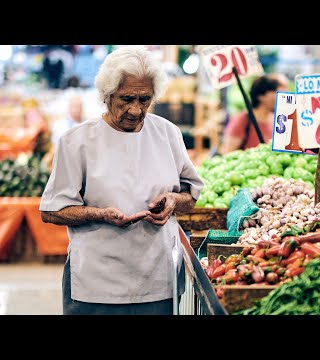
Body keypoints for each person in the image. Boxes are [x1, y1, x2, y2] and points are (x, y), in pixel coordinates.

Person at [39, 46, 204, 315]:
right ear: (107, 95)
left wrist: (173, 200)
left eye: (145, 99)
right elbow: (51, 211)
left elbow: (191, 195)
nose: (136, 110)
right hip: (96, 284)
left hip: (156, 279)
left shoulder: (168, 134)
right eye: (126, 99)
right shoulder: (77, 141)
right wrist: (99, 214)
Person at [221, 73, 289, 153]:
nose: (283, 98)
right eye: (279, 93)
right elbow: (227, 152)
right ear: (261, 96)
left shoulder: (279, 120)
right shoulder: (242, 120)